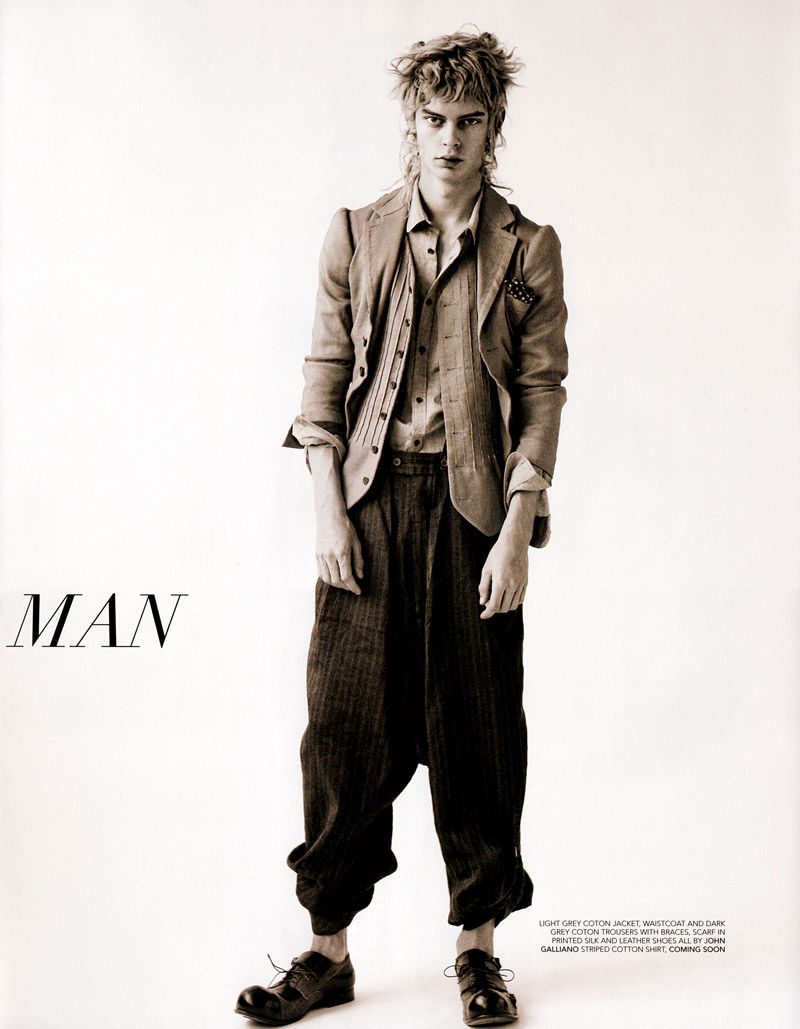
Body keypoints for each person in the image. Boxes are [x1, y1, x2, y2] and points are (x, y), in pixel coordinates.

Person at [237, 28, 568, 1027]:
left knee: (478, 736)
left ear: (492, 129)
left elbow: (541, 391)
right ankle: (327, 953)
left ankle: (478, 953)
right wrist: (328, 513)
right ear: (410, 125)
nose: (450, 138)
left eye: (469, 121)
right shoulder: (356, 231)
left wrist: (516, 529)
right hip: (370, 506)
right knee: (342, 731)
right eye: (434, 119)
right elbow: (323, 377)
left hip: (472, 516)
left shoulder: (526, 248)